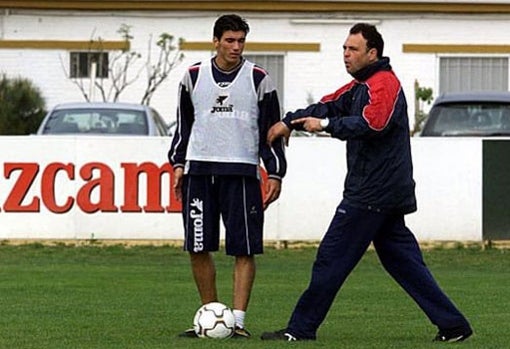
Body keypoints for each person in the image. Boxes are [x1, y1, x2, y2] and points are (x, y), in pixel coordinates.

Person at [260, 23, 472, 342]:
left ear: (372, 53)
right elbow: (326, 104)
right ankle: (454, 326)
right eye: (344, 49)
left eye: (353, 49)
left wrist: (326, 125)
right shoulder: (358, 86)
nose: (346, 54)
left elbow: (374, 124)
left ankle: (299, 329)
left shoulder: (383, 83)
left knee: (331, 258)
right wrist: (289, 121)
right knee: (405, 264)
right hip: (382, 192)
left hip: (372, 192)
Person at [168, 14, 286, 339]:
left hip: (242, 172)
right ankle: (210, 317)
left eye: (241, 41)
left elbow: (271, 131)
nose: (236, 47)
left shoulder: (259, 78)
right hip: (199, 172)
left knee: (244, 248)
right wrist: (178, 164)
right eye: (230, 40)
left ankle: (238, 322)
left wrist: (275, 171)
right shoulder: (192, 77)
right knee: (197, 246)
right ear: (216, 41)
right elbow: (183, 127)